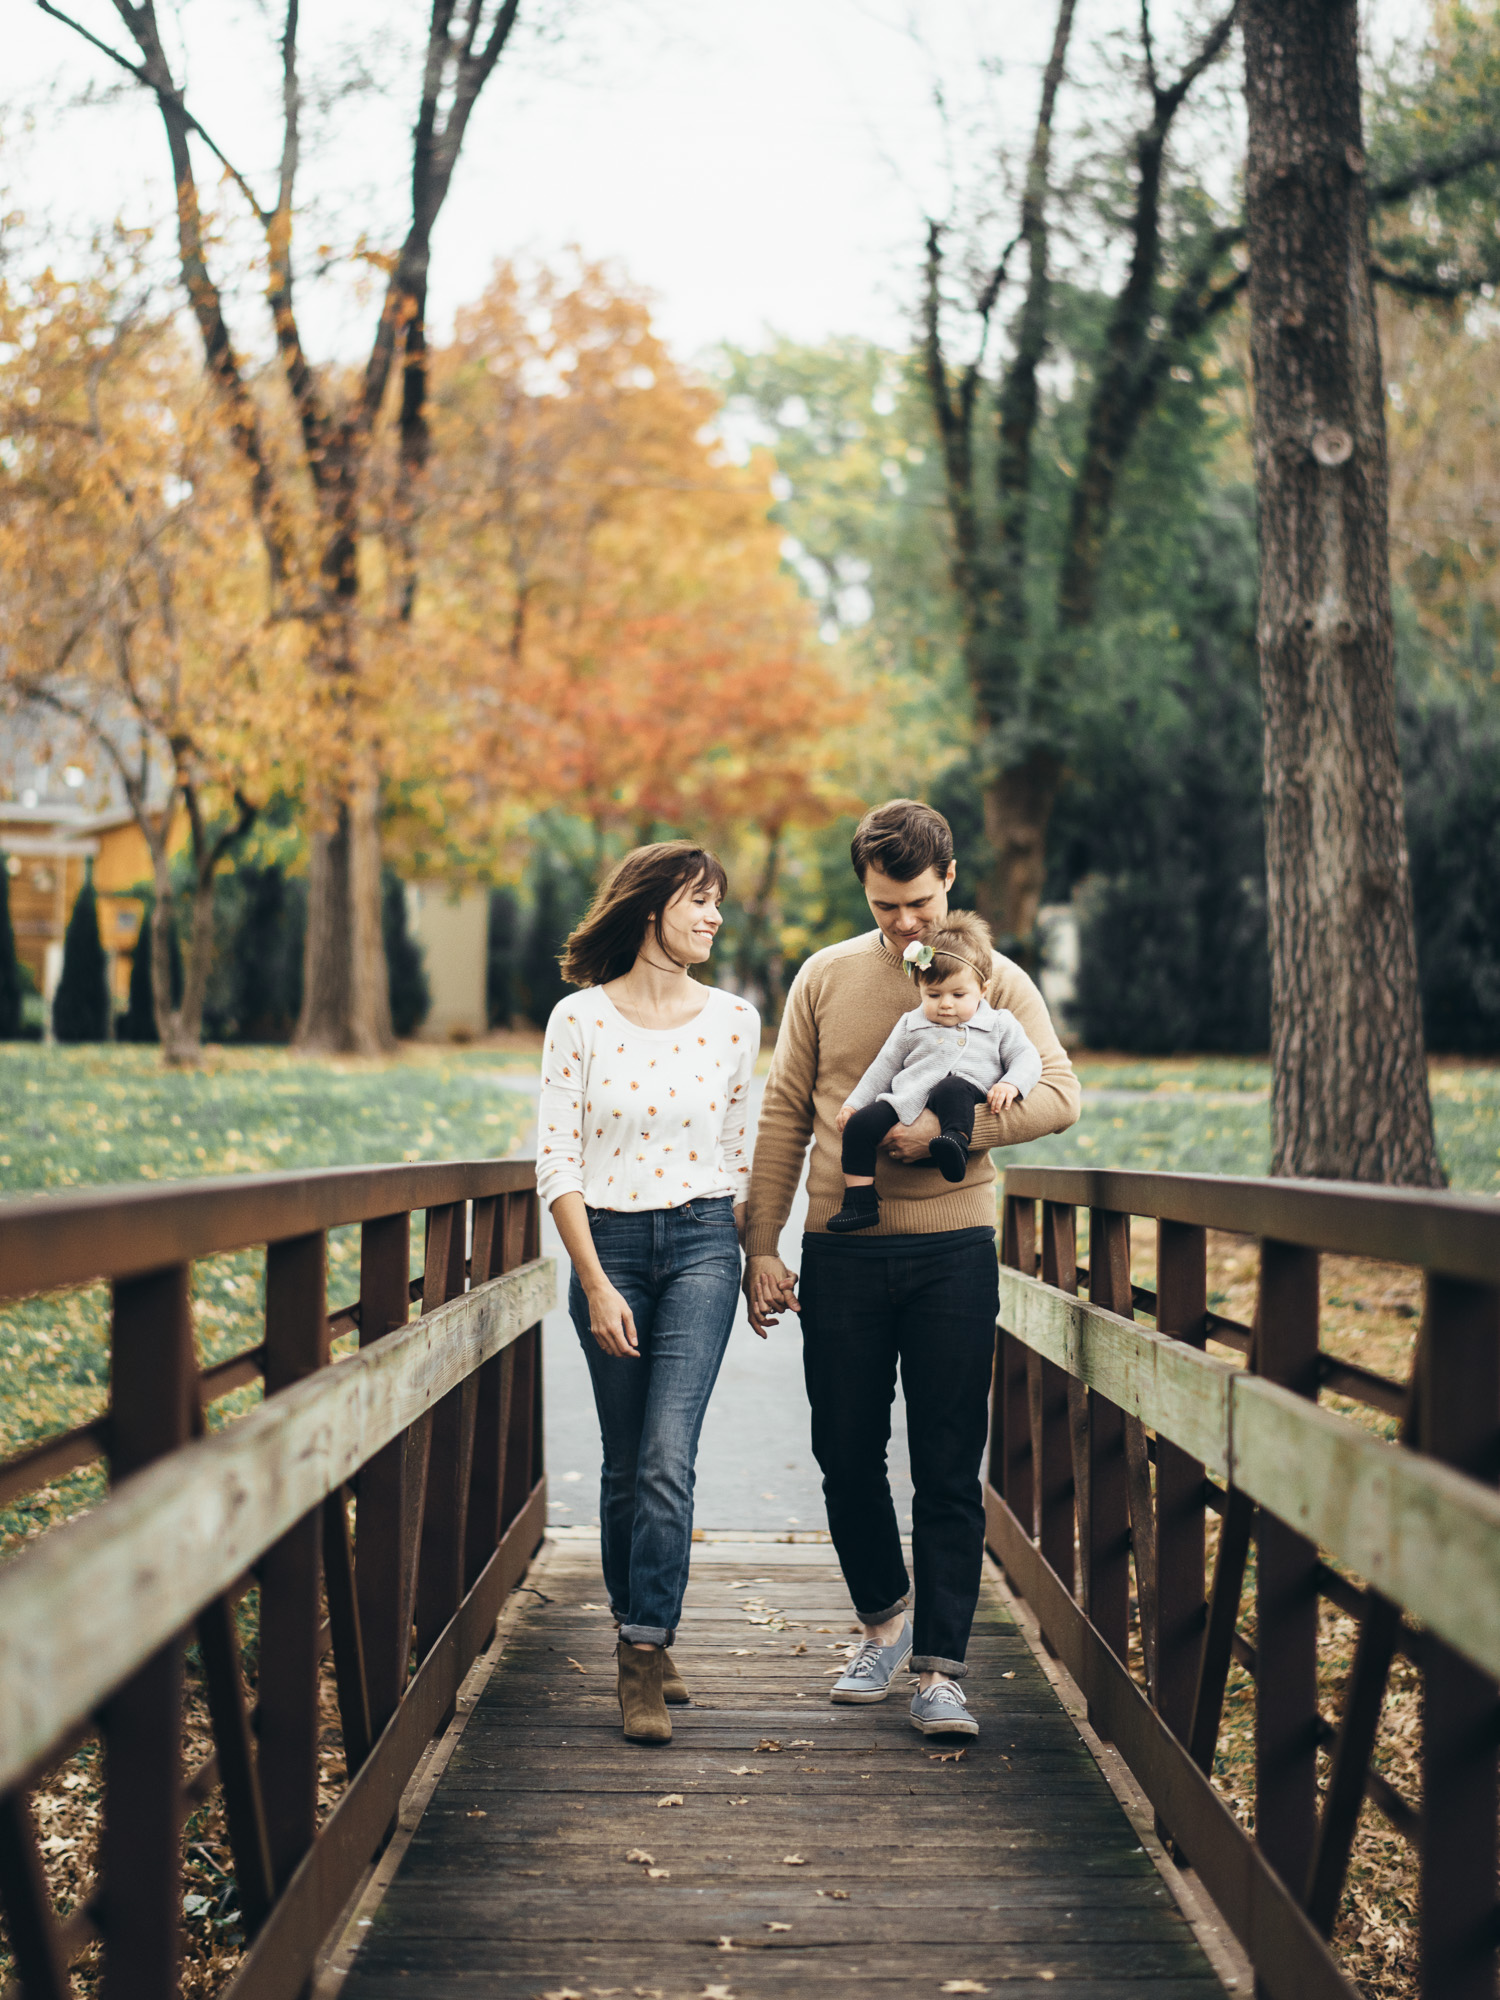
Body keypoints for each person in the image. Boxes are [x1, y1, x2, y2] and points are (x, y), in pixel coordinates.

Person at [743, 800, 1079, 1738]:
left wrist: (950, 1131)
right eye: (886, 906)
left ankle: (941, 1671)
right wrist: (761, 1243)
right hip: (842, 1249)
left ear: (951, 880)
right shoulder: (826, 976)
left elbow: (1059, 1091)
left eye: (920, 905)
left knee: (943, 1461)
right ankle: (884, 1621)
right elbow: (780, 1116)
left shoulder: (996, 977)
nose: (904, 927)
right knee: (844, 1452)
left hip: (954, 1247)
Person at [537, 842, 758, 1746]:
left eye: (718, 905)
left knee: (668, 1451)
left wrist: (763, 1259)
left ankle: (641, 1652)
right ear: (652, 906)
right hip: (611, 1248)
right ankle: (644, 1624)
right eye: (699, 902)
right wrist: (592, 1281)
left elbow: (742, 1156)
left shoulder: (737, 1020)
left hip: (705, 1243)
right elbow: (557, 1157)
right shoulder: (578, 1021)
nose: (713, 917)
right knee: (626, 1460)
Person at [829, 910, 1041, 1232]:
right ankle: (860, 1201)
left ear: (982, 990)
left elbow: (1028, 1057)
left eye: (958, 995)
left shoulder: (998, 1023)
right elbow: (883, 1067)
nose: (945, 1004)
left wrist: (1011, 1084)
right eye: (933, 994)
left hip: (964, 1092)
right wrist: (854, 1104)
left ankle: (953, 1143)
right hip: (906, 1100)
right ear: (919, 987)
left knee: (951, 1088)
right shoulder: (911, 1023)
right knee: (859, 1126)